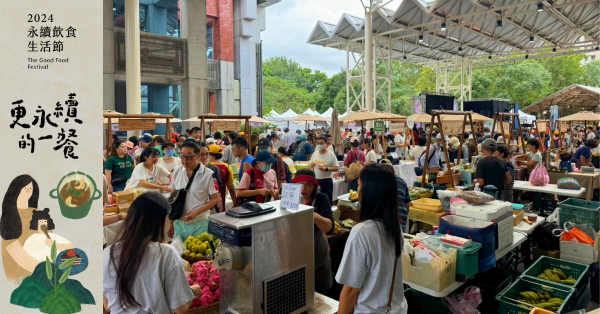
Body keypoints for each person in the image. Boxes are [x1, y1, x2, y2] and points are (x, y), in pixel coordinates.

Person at [104, 193, 200, 314]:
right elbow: (180, 308)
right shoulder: (166, 254)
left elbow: (107, 305)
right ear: (161, 221)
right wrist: (191, 293)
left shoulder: (108, 253)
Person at [336, 163, 406, 314]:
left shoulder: (362, 232)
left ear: (369, 191)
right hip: (396, 308)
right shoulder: (395, 226)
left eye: (359, 185)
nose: (358, 189)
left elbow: (351, 290)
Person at [291, 170, 334, 293]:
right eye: (300, 184)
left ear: (315, 187)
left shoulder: (321, 198)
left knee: (320, 290)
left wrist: (312, 215)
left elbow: (329, 227)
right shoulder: (290, 199)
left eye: (308, 184)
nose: (303, 188)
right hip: (295, 252)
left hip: (317, 251)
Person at [168, 141, 219, 241]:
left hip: (200, 225)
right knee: (178, 255)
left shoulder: (208, 174)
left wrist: (197, 212)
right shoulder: (176, 172)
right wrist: (171, 223)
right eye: (182, 156)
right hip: (179, 224)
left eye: (189, 156)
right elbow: (173, 199)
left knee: (199, 255)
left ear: (198, 156)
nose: (185, 160)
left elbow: (215, 199)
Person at [1, 175, 43, 281]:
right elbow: (15, 253)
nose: (28, 190)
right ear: (16, 190)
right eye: (25, 188)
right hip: (19, 271)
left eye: (30, 188)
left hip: (39, 264)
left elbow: (48, 240)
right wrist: (42, 270)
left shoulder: (38, 214)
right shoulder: (10, 216)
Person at [380, 159, 411, 233]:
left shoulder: (380, 182)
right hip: (401, 219)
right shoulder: (402, 181)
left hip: (386, 221)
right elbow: (407, 204)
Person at [309, 137, 340, 202]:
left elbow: (337, 168)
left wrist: (326, 168)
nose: (320, 145)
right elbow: (309, 166)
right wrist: (311, 165)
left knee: (327, 200)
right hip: (316, 180)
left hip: (327, 181)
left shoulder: (331, 154)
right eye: (318, 143)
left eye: (322, 143)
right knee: (317, 200)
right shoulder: (315, 153)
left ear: (326, 144)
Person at [209, 145, 237, 210]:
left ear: (212, 156)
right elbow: (231, 188)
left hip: (208, 202)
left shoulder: (207, 167)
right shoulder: (228, 167)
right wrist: (235, 203)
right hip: (221, 200)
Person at [199, 143, 223, 212]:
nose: (205, 157)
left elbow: (219, 186)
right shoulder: (191, 169)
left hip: (210, 205)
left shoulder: (213, 169)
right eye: (202, 154)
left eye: (207, 154)